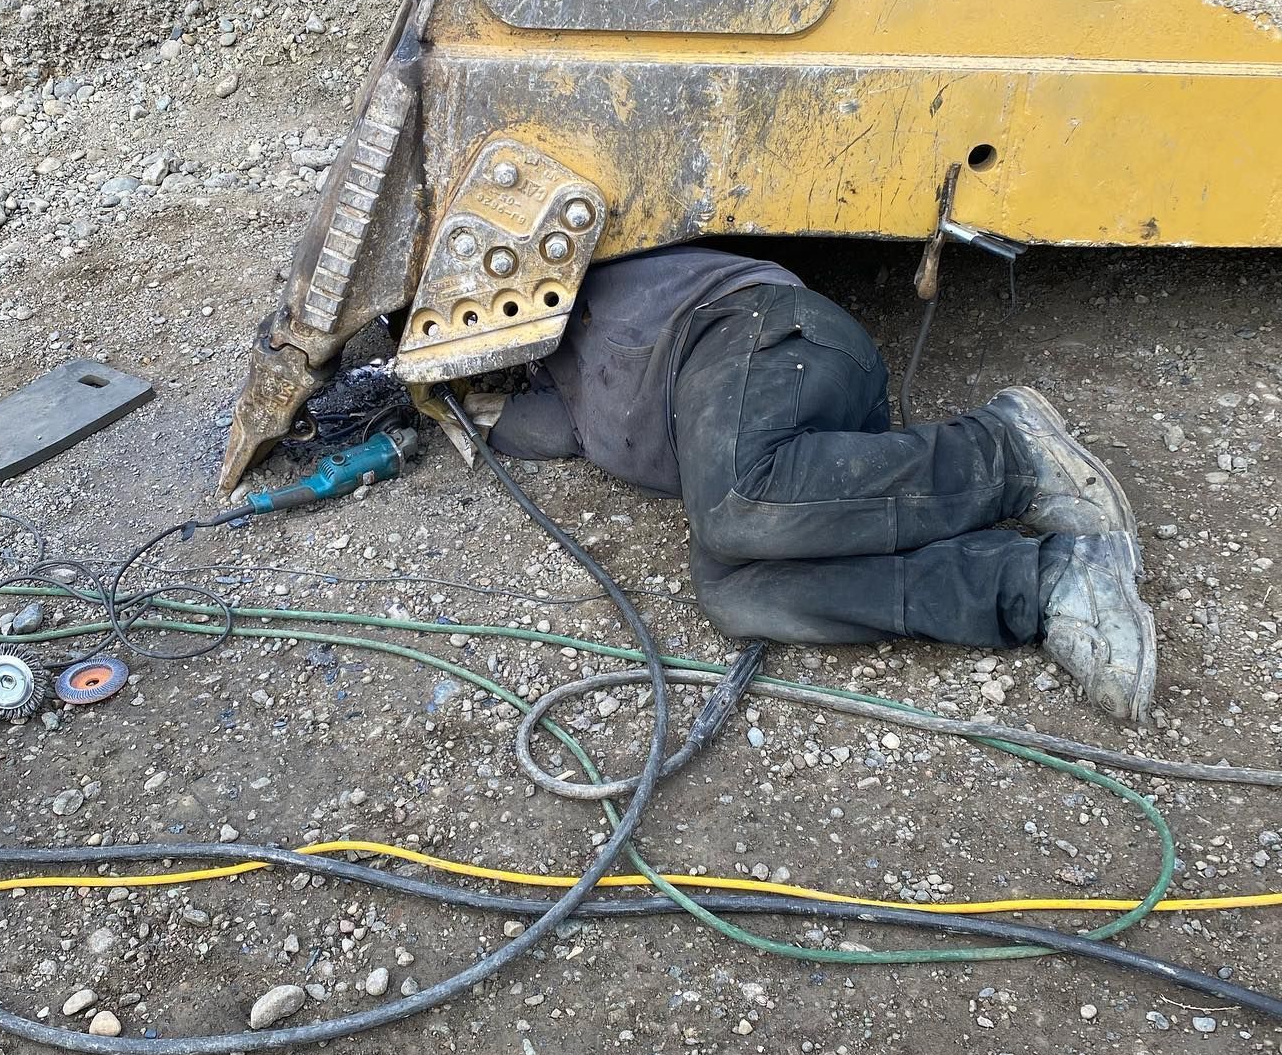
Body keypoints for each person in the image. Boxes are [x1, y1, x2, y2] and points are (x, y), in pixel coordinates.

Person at [466, 246, 1154, 720]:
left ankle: (1007, 453)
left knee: (738, 504)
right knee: (735, 592)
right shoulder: (558, 386)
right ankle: (1048, 583)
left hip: (767, 335)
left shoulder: (584, 269)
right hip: (780, 450)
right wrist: (446, 404)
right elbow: (524, 428)